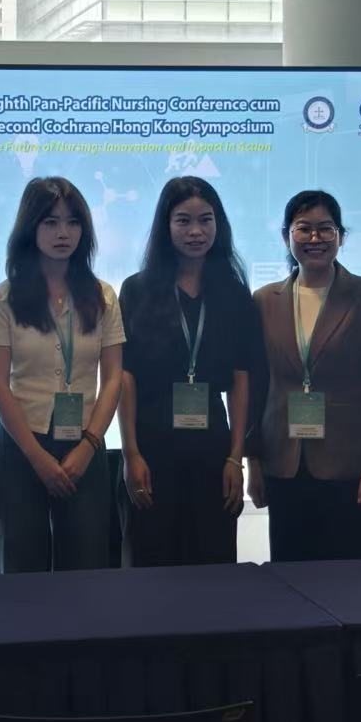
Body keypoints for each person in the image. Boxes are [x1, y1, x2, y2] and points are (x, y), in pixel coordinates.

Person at [246, 190, 361, 561]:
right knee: (291, 578)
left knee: (353, 580)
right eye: (304, 228)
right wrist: (253, 462)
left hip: (353, 466)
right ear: (287, 236)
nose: (314, 238)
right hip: (284, 464)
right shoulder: (264, 300)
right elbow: (256, 387)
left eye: (326, 228)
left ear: (341, 236)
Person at [0, 177, 125, 572]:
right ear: (30, 228)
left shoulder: (103, 296)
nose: (63, 233)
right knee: (20, 570)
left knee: (86, 568)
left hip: (85, 445)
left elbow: (113, 378)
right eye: (50, 222)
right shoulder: (4, 298)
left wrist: (89, 446)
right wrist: (37, 457)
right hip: (21, 446)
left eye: (72, 222)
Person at [118, 176, 259, 567]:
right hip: (152, 449)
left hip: (213, 452)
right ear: (165, 226)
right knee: (151, 566)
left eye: (205, 220)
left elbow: (240, 379)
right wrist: (131, 454)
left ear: (218, 224)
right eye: (183, 220)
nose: (196, 231)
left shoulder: (233, 292)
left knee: (212, 567)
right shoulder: (137, 290)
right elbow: (125, 377)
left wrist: (235, 458)